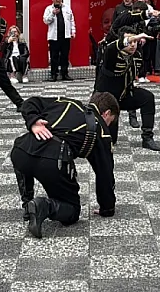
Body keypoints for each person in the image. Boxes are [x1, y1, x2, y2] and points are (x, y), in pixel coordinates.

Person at [11, 92, 119, 238]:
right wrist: (107, 208)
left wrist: (33, 121)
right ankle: (42, 206)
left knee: (23, 160)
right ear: (106, 113)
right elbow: (105, 174)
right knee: (73, 211)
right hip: (53, 161)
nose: (109, 126)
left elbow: (30, 102)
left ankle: (27, 204)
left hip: (21, 149)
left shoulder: (67, 102)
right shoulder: (102, 133)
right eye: (110, 121)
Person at [94, 27, 160, 151]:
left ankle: (147, 138)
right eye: (129, 41)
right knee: (110, 140)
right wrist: (132, 38)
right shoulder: (111, 54)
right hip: (105, 100)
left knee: (147, 97)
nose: (132, 44)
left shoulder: (137, 56)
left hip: (124, 94)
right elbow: (112, 47)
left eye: (135, 41)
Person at [43, 0, 75, 82]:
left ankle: (65, 73)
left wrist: (73, 31)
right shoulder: (49, 9)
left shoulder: (67, 8)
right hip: (54, 37)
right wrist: (53, 13)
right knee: (54, 56)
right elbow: (46, 21)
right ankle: (54, 74)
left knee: (65, 55)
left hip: (65, 36)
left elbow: (72, 20)